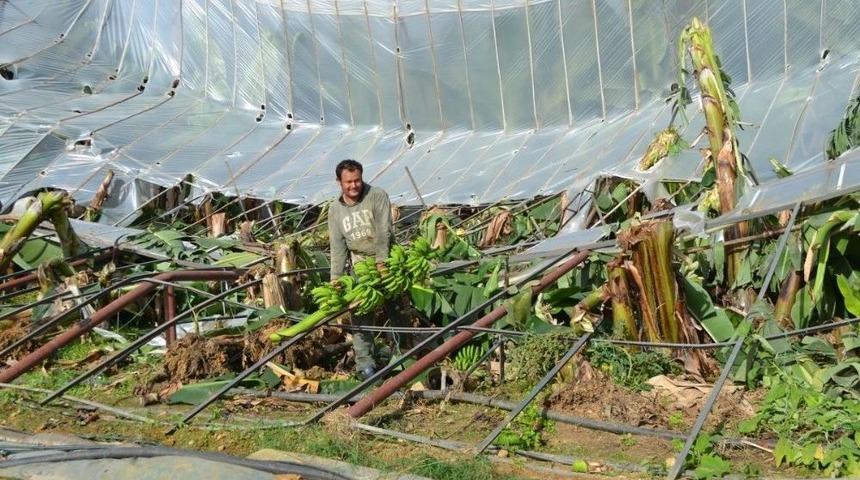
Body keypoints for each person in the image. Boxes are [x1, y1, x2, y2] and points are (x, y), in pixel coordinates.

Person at [328, 159, 394, 379]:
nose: (354, 185)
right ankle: (365, 365)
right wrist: (336, 277)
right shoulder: (335, 210)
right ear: (339, 182)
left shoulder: (377, 196)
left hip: (388, 261)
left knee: (397, 309)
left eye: (357, 180)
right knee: (360, 316)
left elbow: (384, 231)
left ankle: (404, 356)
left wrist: (382, 262)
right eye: (348, 182)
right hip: (360, 265)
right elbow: (337, 245)